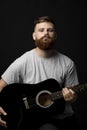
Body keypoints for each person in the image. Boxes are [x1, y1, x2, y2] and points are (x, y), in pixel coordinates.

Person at [0, 16, 81, 130]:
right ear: (34, 36)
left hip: (62, 118)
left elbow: (72, 95)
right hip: (33, 118)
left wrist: (71, 97)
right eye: (41, 30)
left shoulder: (67, 63)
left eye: (50, 30)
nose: (46, 33)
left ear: (55, 35)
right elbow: (1, 86)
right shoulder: (22, 62)